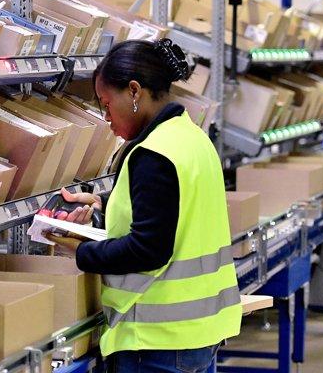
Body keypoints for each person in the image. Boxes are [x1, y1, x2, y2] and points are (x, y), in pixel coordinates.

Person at [48, 38, 243, 372]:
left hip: (157, 341)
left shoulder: (153, 154)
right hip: (199, 332)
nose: (106, 117)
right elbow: (173, 210)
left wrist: (80, 251)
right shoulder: (192, 138)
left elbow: (148, 249)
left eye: (107, 104)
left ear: (134, 91)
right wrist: (103, 203)